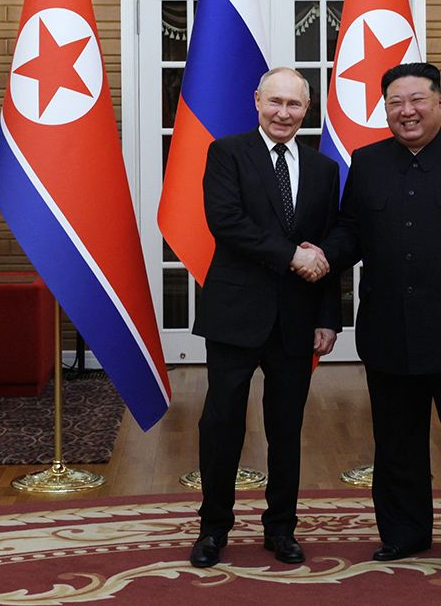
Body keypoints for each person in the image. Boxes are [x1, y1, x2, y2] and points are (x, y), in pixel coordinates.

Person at [317, 62, 441, 578]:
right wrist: (317, 255)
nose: (406, 111)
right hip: (388, 329)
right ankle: (404, 534)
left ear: (440, 104)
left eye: (417, 100)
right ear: (385, 110)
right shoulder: (366, 162)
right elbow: (351, 233)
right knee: (397, 441)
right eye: (395, 103)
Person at [189, 67, 340, 569]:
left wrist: (328, 316)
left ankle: (281, 528)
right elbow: (226, 223)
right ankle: (214, 529)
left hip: (297, 320)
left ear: (307, 108)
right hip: (236, 314)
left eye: (294, 105)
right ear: (256, 101)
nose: (283, 113)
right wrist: (290, 256)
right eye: (274, 102)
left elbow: (323, 249)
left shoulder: (323, 169)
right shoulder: (227, 153)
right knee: (222, 424)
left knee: (287, 427)